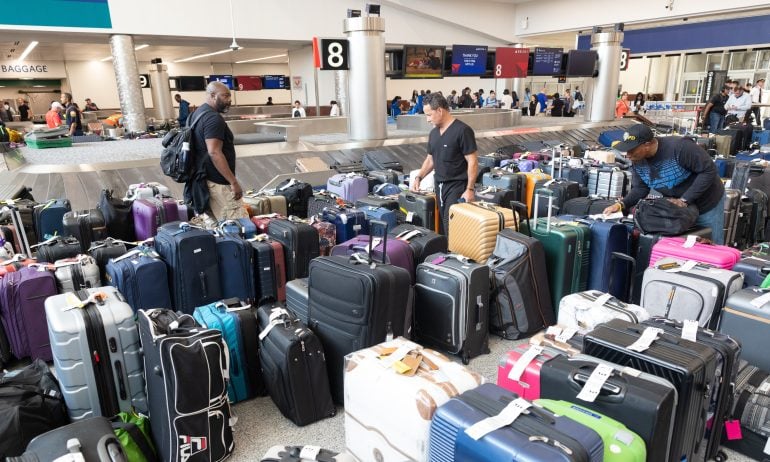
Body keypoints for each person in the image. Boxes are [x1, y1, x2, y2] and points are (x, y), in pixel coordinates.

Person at [602, 124, 726, 244]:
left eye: (631, 150)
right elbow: (640, 188)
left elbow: (708, 170)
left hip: (707, 203)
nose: (627, 155)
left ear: (647, 145)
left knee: (710, 244)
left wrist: (685, 199)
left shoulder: (680, 147)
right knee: (684, 247)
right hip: (679, 209)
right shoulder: (637, 160)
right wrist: (621, 205)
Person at [410, 93, 478, 236]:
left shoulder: (462, 130)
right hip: (439, 186)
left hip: (457, 186)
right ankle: (448, 254)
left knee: (453, 225)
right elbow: (430, 160)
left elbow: (472, 161)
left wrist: (470, 189)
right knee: (443, 225)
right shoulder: (434, 134)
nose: (427, 119)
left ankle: (457, 256)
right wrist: (418, 177)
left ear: (440, 110)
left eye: (429, 115)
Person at [188, 81, 247, 224]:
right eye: (225, 96)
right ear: (213, 95)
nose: (229, 100)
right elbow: (214, 152)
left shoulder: (196, 114)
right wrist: (233, 182)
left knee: (216, 230)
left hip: (202, 181)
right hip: (218, 184)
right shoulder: (213, 119)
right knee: (239, 227)